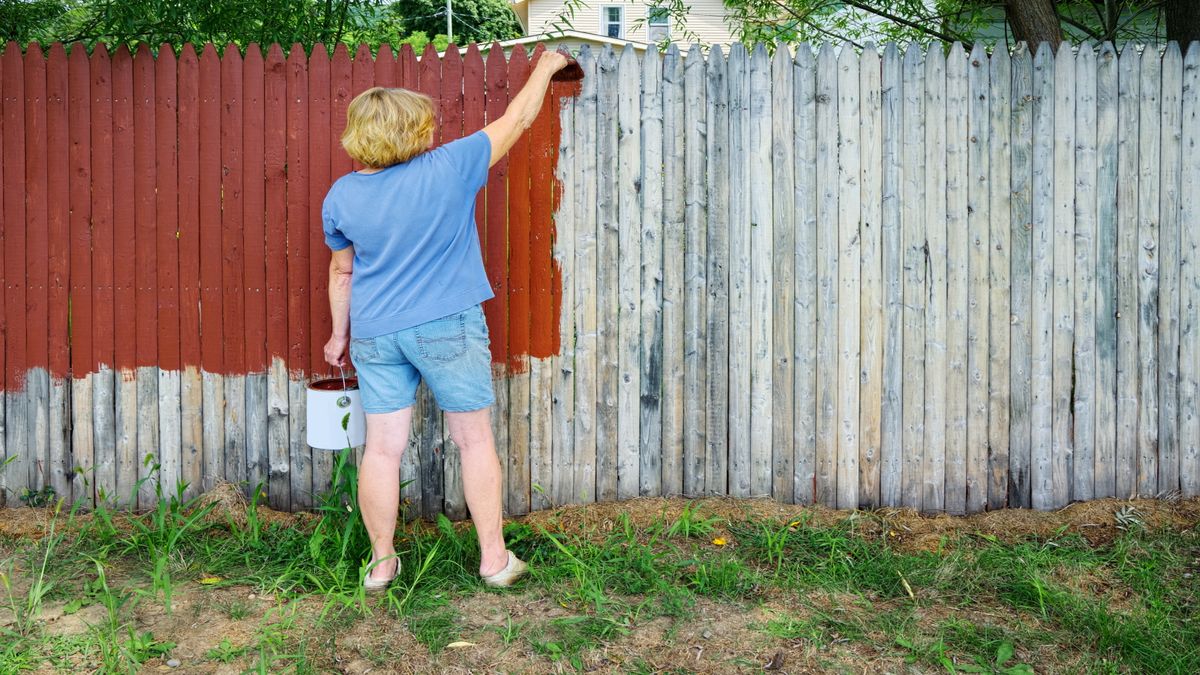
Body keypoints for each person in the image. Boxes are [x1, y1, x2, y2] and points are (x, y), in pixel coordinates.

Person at [321, 51, 571, 591]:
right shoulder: (449, 167)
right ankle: (494, 561)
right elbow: (519, 118)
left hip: (374, 331)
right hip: (446, 326)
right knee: (473, 440)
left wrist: (339, 335)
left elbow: (342, 274)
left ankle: (381, 564)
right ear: (412, 130)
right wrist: (547, 67)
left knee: (382, 447)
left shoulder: (341, 196)